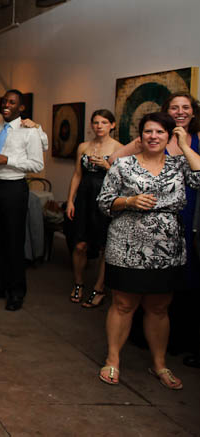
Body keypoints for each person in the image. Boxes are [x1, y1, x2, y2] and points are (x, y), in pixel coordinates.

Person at [95, 112, 200, 389]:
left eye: (160, 132)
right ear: (140, 136)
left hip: (168, 249)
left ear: (170, 136)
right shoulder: (123, 165)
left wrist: (186, 146)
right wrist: (129, 200)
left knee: (159, 307)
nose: (153, 136)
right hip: (127, 245)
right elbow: (104, 201)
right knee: (123, 304)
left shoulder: (179, 164)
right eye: (148, 132)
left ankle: (159, 364)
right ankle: (113, 359)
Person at [0, 89, 44, 311]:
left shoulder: (29, 132)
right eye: (4, 101)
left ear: (21, 108)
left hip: (14, 187)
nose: (6, 105)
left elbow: (37, 164)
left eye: (11, 102)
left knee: (13, 240)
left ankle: (15, 292)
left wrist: (7, 159)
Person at [64, 109, 121, 308]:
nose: (99, 126)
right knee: (80, 244)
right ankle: (78, 283)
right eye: (96, 122)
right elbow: (77, 174)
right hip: (84, 199)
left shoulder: (119, 148)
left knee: (105, 246)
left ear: (112, 125)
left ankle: (99, 288)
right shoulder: (83, 146)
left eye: (104, 122)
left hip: (105, 199)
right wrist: (70, 200)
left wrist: (108, 166)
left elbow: (123, 179)